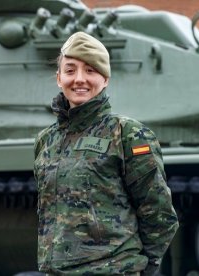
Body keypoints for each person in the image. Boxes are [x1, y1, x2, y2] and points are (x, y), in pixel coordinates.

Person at [33, 32, 179, 275]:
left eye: (90, 70)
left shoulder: (127, 134)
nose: (79, 79)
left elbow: (159, 215)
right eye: (70, 71)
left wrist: (142, 269)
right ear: (59, 78)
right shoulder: (46, 140)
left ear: (105, 78)